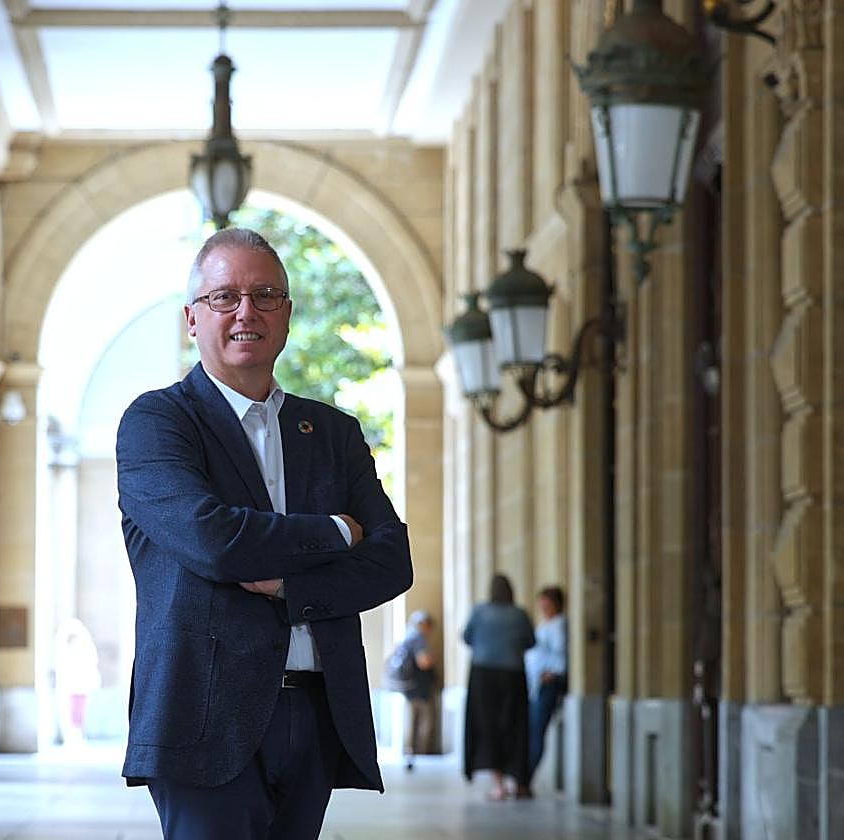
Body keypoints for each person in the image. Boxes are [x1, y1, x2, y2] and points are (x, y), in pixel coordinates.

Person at [115, 228, 412, 840]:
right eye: (224, 297)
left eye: (265, 294)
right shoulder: (157, 422)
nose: (245, 311)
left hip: (316, 713)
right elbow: (212, 541)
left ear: (286, 315)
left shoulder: (332, 432)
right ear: (192, 319)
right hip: (201, 717)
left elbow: (392, 559)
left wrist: (288, 588)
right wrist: (335, 531)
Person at [461, 573, 535, 800]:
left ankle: (498, 784)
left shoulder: (480, 611)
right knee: (516, 726)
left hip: (484, 675)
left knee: (488, 727)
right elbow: (531, 641)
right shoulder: (520, 614)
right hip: (513, 675)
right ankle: (520, 782)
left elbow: (466, 637)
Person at [385, 610, 436, 771]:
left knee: (410, 720)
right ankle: (420, 753)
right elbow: (424, 662)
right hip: (419, 687)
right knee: (424, 720)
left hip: (407, 687)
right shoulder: (418, 638)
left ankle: (409, 751)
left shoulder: (406, 636)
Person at [525, 585, 567, 781]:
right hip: (537, 684)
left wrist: (553, 673)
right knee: (533, 728)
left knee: (537, 730)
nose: (542, 605)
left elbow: (561, 653)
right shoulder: (546, 624)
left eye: (547, 602)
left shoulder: (559, 624)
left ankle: (527, 777)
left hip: (548, 682)